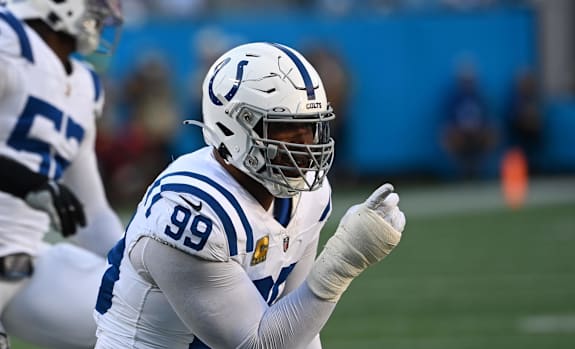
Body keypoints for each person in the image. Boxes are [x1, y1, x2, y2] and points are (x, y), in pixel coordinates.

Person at [94, 42, 406, 349]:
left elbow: (298, 322)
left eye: (312, 126)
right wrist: (343, 261)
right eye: (286, 127)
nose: (308, 144)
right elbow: (257, 344)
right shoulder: (190, 210)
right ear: (233, 128)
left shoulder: (310, 194)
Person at [0, 0, 123, 348]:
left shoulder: (83, 85)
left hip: (25, 260)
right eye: (95, 4)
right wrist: (24, 183)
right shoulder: (6, 41)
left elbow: (92, 212)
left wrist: (137, 264)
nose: (103, 15)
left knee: (148, 317)